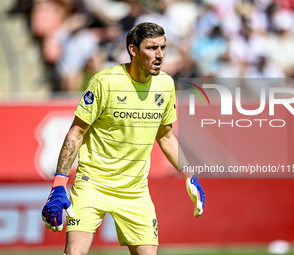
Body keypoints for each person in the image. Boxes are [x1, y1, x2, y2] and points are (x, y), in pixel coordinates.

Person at [42, 22, 205, 255]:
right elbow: (76, 133)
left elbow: (166, 135)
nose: (159, 55)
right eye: (151, 48)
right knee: (74, 254)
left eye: (163, 47)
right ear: (133, 50)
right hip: (93, 183)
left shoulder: (166, 84)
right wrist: (59, 184)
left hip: (135, 190)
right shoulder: (104, 82)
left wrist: (189, 174)